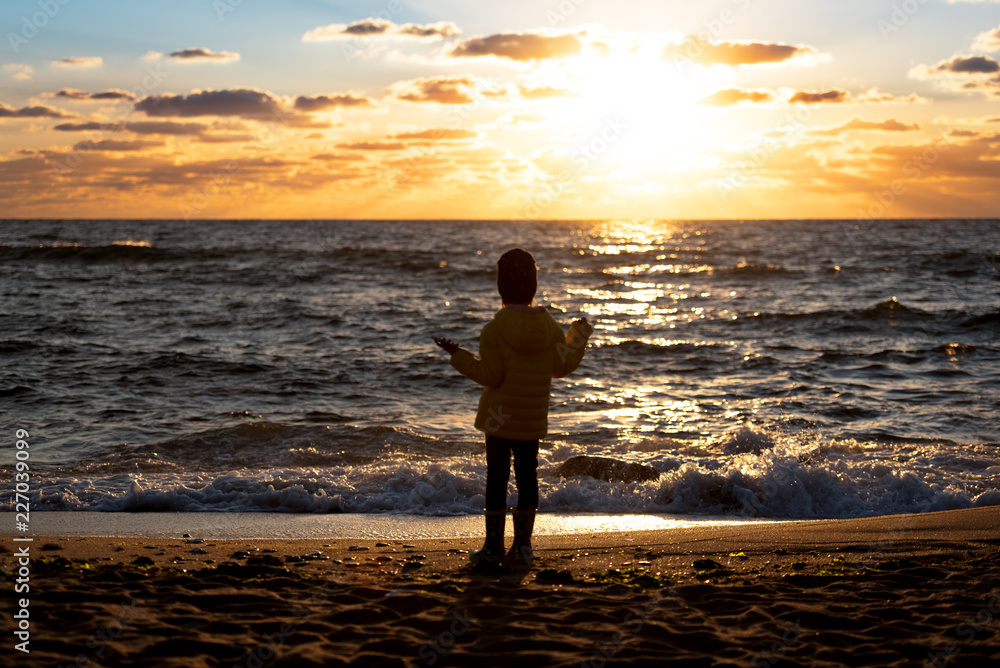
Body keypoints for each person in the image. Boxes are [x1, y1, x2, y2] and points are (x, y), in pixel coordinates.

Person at [434, 248, 593, 566]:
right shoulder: (548, 326)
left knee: (496, 479)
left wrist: (458, 356)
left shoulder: (495, 329)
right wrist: (577, 337)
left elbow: (489, 375)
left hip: (498, 419)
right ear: (533, 286)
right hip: (530, 420)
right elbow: (561, 367)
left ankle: (493, 547)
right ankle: (523, 548)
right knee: (527, 478)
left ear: (500, 288)